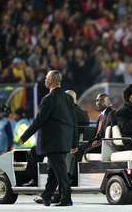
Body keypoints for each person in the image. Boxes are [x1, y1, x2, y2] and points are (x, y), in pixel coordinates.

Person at [19, 70, 78, 207]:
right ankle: (46, 196)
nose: (45, 80)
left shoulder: (49, 99)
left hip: (53, 142)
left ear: (51, 79)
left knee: (60, 172)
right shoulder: (68, 98)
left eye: (46, 77)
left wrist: (25, 136)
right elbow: (74, 122)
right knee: (53, 171)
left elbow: (39, 120)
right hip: (64, 141)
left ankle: (66, 198)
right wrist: (74, 142)